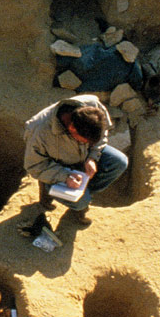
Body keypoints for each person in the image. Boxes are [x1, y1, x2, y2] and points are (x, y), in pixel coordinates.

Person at [22, 95, 128, 235]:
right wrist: (65, 176)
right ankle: (56, 195)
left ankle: (82, 195)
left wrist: (92, 157)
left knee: (119, 162)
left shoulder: (92, 106)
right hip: (55, 167)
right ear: (72, 128)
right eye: (84, 141)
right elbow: (34, 166)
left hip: (83, 157)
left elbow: (102, 134)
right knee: (81, 202)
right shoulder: (39, 131)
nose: (87, 144)